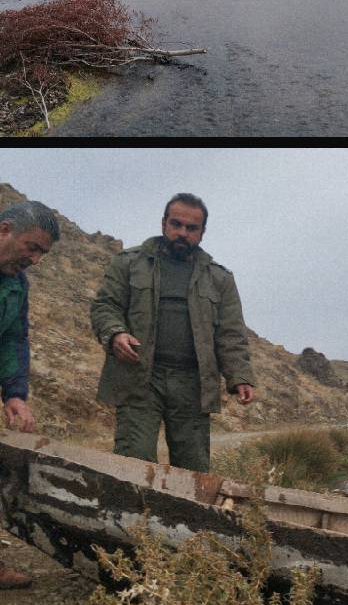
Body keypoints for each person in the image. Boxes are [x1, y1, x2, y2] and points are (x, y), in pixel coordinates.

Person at [90, 193, 254, 473]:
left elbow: (231, 333)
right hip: (139, 376)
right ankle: (133, 516)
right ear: (164, 223)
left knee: (193, 471)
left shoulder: (220, 278)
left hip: (193, 385)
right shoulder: (129, 263)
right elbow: (106, 305)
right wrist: (116, 333)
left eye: (191, 228)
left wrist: (239, 376)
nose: (182, 233)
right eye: (176, 224)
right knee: (133, 463)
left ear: (202, 233)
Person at [0, 201, 60, 589]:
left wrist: (14, 394)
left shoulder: (15, 283)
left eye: (42, 254)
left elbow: (11, 339)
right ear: (3, 230)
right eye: (31, 247)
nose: (35, 260)